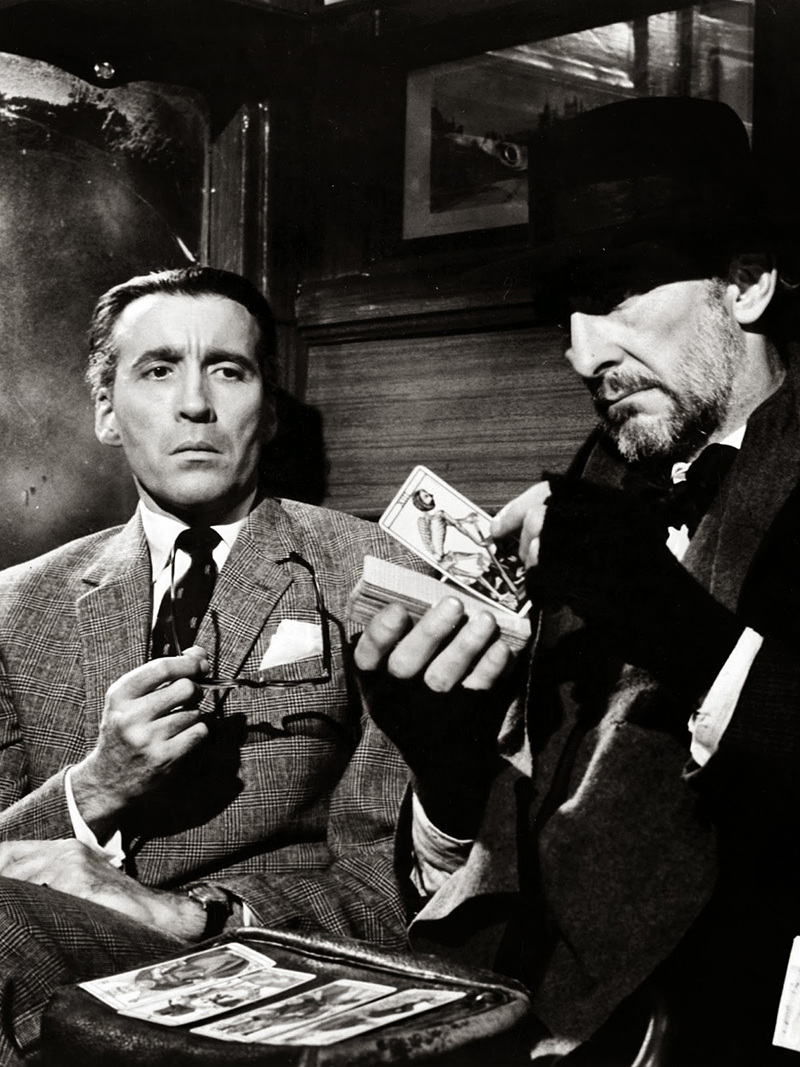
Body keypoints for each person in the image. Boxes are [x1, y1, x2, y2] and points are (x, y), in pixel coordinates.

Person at [354, 97, 800, 1066]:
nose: (581, 354)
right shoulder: (593, 485)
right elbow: (506, 850)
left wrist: (669, 619)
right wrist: (443, 764)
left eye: (617, 293)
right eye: (566, 311)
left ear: (747, 283)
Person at [0, 264, 447, 1063]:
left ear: (267, 410)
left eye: (229, 371)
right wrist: (93, 788)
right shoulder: (16, 608)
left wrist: (200, 914)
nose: (195, 404)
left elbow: (397, 879)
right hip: (53, 963)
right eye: (158, 369)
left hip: (270, 968)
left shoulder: (370, 570)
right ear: (106, 409)